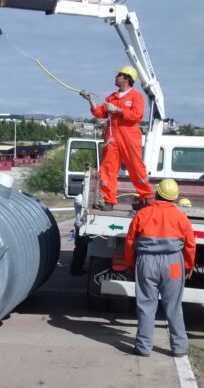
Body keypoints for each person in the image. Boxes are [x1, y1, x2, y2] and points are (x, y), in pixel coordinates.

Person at [124, 178, 196, 357]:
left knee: (146, 305)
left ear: (157, 194)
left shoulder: (142, 214)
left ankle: (143, 347)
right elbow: (190, 244)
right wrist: (188, 265)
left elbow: (130, 241)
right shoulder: (181, 217)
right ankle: (179, 348)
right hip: (173, 264)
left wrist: (129, 263)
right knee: (173, 306)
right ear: (175, 198)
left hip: (146, 263)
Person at [80, 66, 154, 211]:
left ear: (126, 78)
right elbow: (100, 113)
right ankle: (109, 201)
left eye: (118, 75)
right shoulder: (112, 97)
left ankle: (147, 198)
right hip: (112, 138)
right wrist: (90, 100)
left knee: (136, 168)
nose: (116, 78)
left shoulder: (136, 96)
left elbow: (137, 115)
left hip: (130, 138)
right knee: (107, 169)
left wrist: (117, 110)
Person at [70, 193, 89, 275]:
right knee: (80, 249)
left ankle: (79, 267)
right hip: (80, 226)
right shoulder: (79, 198)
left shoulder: (83, 197)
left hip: (83, 226)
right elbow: (85, 204)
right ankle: (75, 269)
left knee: (83, 249)